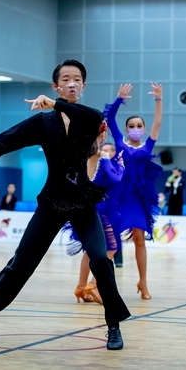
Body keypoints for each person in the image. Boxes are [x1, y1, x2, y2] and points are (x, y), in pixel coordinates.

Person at [0, 59, 130, 350]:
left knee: (100, 259)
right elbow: (1, 143)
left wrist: (55, 104)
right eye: (65, 79)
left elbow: (93, 116)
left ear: (83, 85)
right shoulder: (41, 123)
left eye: (77, 79)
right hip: (52, 201)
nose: (71, 83)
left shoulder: (90, 117)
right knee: (20, 264)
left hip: (82, 201)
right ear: (56, 85)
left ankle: (113, 326)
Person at [105, 82, 164, 300]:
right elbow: (110, 118)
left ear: (144, 129)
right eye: (132, 125)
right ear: (127, 129)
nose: (136, 128)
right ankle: (96, 283)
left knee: (139, 238)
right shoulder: (119, 143)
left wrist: (158, 98)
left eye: (139, 125)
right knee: (111, 241)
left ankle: (143, 282)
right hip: (118, 196)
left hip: (137, 198)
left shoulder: (148, 146)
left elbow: (158, 122)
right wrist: (119, 99)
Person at [66, 124, 124, 305]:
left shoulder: (97, 158)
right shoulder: (103, 161)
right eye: (106, 149)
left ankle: (81, 286)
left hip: (101, 208)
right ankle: (92, 284)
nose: (108, 152)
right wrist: (116, 163)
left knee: (90, 251)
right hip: (103, 210)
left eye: (110, 150)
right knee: (111, 248)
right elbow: (116, 179)